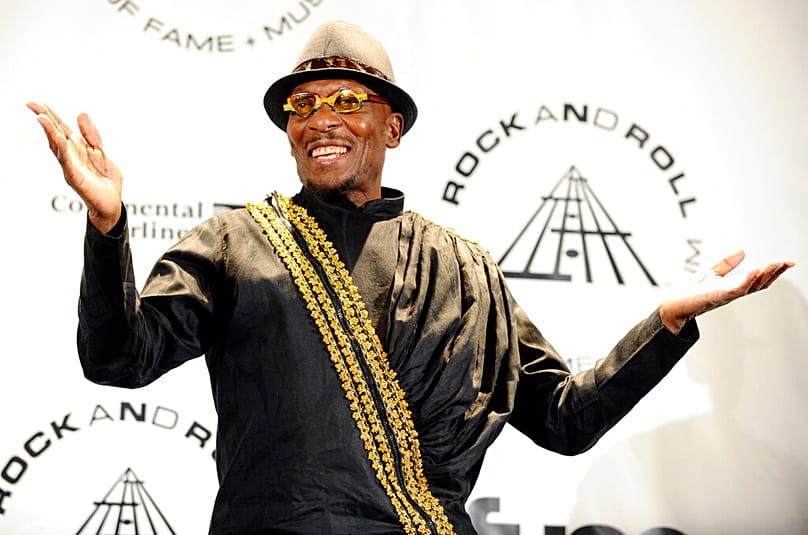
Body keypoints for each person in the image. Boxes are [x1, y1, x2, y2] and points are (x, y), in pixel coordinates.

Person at [28, 20, 792, 535]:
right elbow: (116, 358)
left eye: (347, 99)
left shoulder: (467, 270)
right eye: (303, 104)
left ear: (391, 125)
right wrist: (107, 227)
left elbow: (564, 419)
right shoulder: (235, 242)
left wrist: (664, 321)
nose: (320, 117)